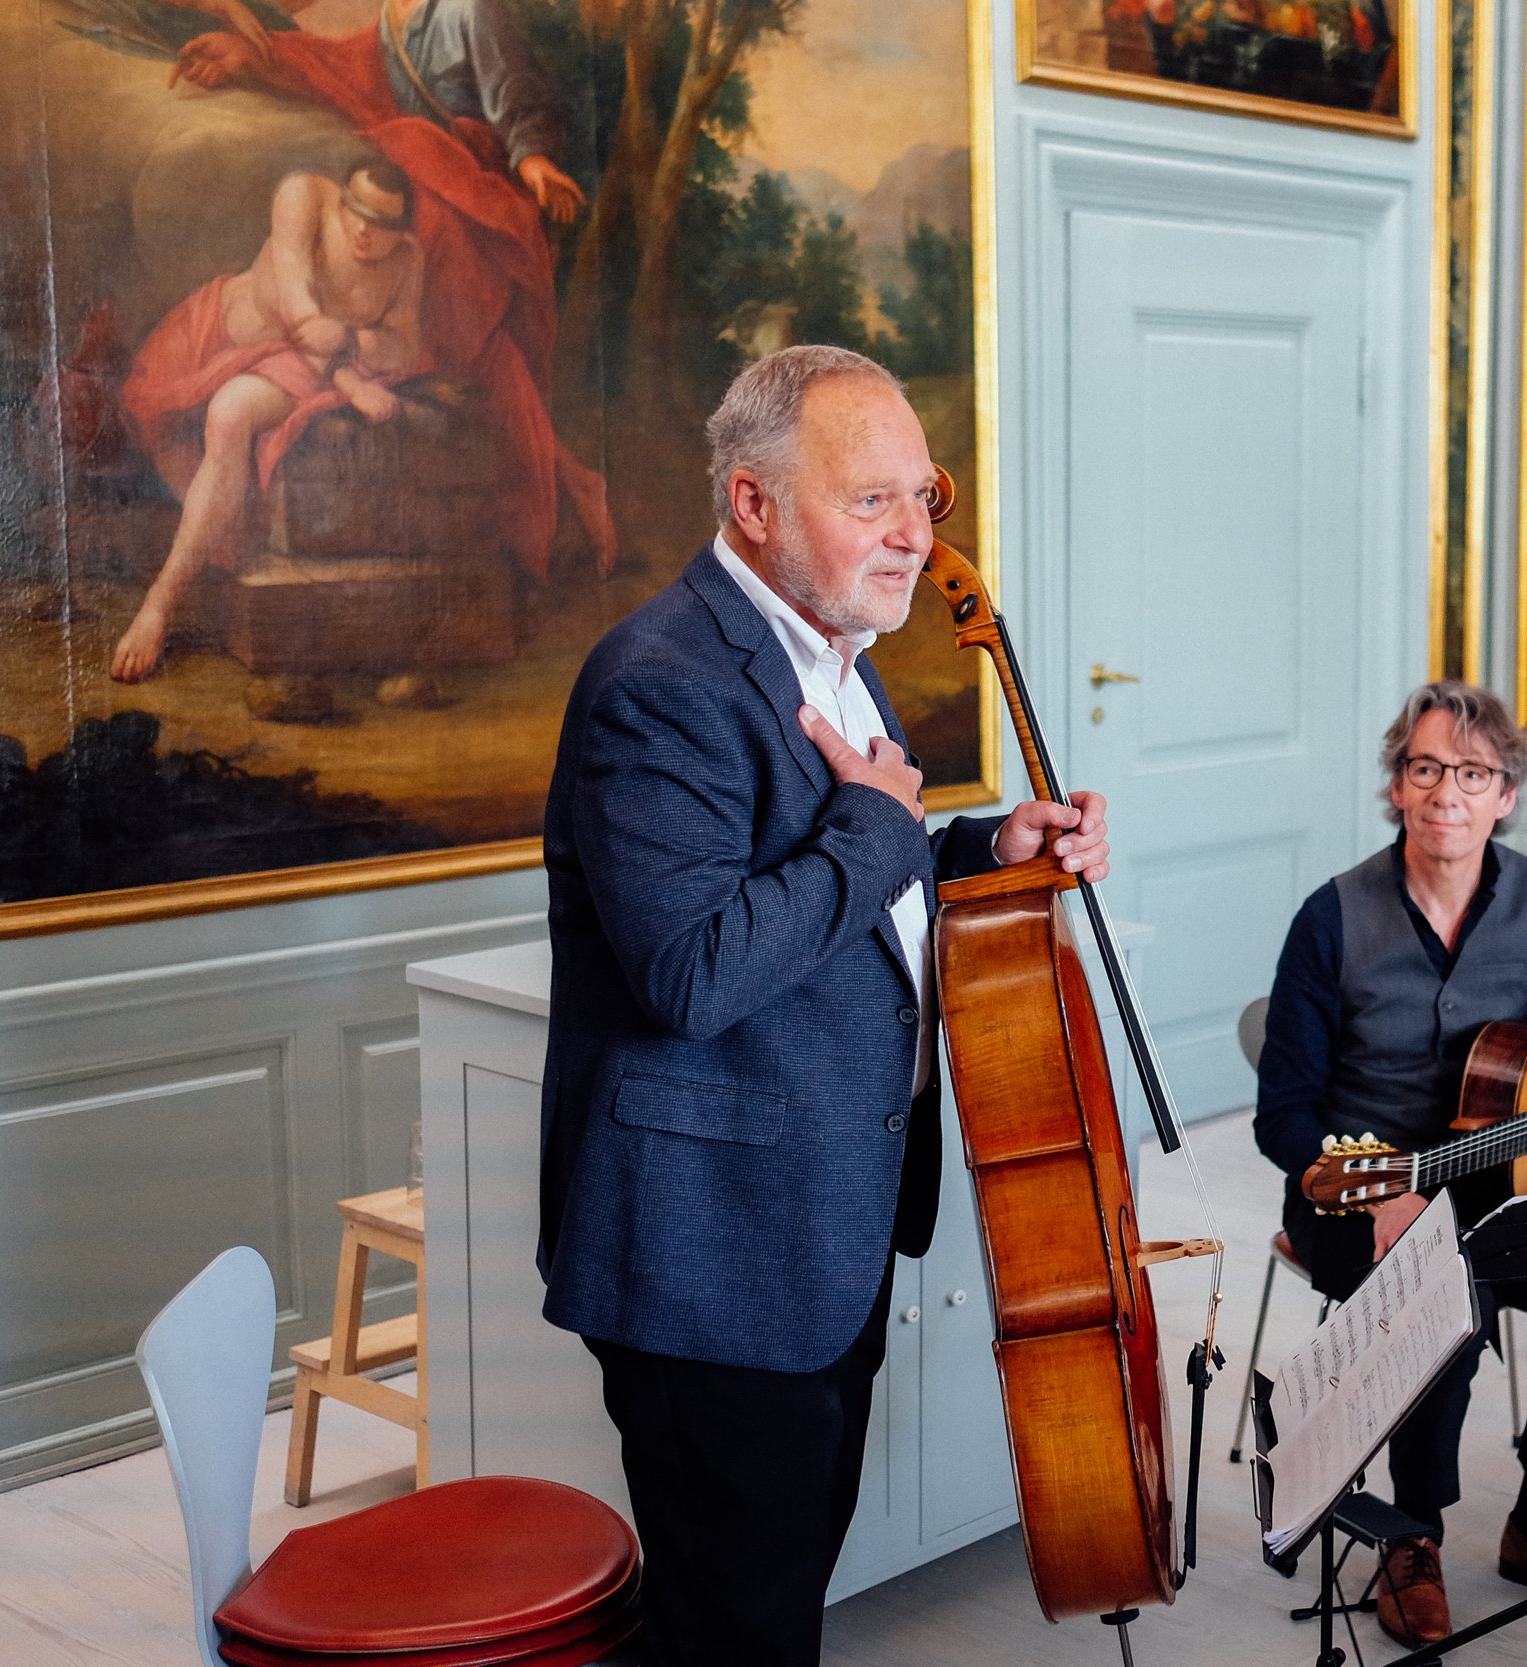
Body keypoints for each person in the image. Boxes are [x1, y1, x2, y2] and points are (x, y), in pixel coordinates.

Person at [535, 345, 1107, 1666]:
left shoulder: (832, 644)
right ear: (753, 503)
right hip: (716, 1251)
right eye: (872, 501)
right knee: (737, 1622)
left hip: (821, 1215)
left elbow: (851, 873)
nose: (915, 534)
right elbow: (694, 971)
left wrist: (980, 849)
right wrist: (874, 828)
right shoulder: (658, 682)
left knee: (771, 1593)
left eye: (926, 496)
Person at [1253, 679, 1527, 1648]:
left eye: (1472, 772)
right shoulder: (1330, 917)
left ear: (1505, 792)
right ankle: (1412, 1538)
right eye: (1426, 767)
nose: (1448, 791)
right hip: (1353, 1193)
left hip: (1509, 1183)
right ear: (1397, 785)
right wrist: (1381, 1196)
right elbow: (1284, 1111)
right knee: (1445, 1298)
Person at [167, 0, 614, 576]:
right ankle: (576, 479)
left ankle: (569, 482)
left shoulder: (468, 9)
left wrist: (532, 160)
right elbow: (346, 68)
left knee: (444, 323)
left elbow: (515, 90)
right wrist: (256, 56)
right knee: (479, 357)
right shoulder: (393, 18)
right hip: (423, 190)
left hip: (469, 206)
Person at [113, 159, 425, 681]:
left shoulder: (406, 263)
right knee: (145, 412)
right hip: (216, 332)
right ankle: (211, 555)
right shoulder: (302, 196)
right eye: (356, 209)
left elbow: (403, 349)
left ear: (404, 229)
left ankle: (158, 605)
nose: (364, 228)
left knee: (229, 415)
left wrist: (347, 349)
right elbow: (299, 308)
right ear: (342, 197)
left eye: (383, 221)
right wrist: (349, 364)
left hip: (288, 366)